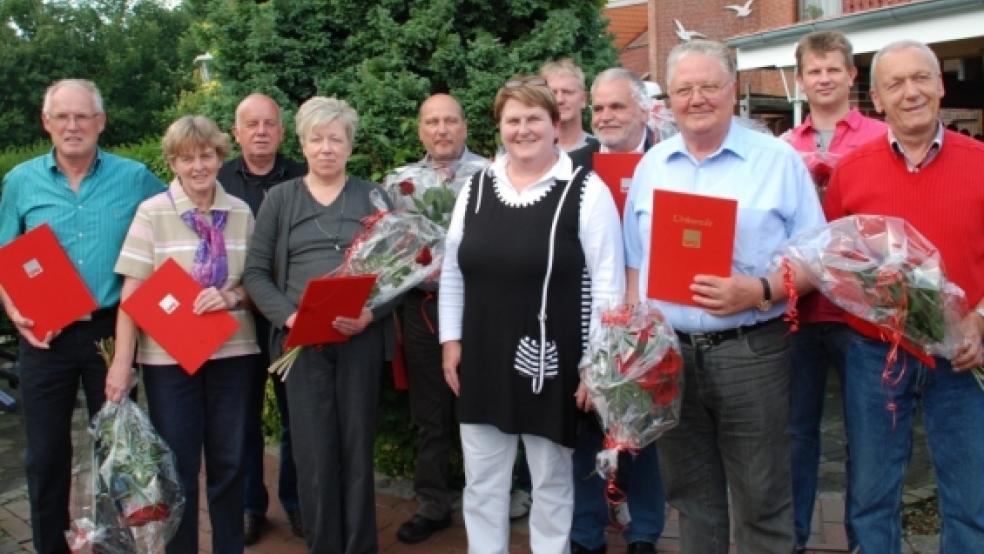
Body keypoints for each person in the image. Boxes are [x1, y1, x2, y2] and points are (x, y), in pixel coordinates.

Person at [622, 40, 825, 553]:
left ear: (733, 91)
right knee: (691, 497)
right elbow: (633, 261)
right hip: (671, 354)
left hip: (752, 350)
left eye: (709, 86)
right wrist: (636, 336)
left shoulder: (778, 160)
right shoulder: (652, 166)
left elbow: (818, 258)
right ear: (668, 99)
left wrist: (759, 290)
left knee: (762, 497)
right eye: (684, 89)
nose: (697, 98)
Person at [439, 75, 624, 553]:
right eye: (512, 120)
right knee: (482, 483)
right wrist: (451, 341)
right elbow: (455, 270)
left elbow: (608, 285)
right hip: (482, 354)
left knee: (552, 484)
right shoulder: (476, 187)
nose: (523, 129)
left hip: (553, 360)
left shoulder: (585, 190)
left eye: (533, 119)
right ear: (499, 127)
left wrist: (597, 365)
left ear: (556, 123)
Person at [823, 39, 984, 554]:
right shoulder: (851, 171)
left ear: (940, 85)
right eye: (895, 83)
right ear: (875, 98)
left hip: (962, 356)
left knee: (971, 497)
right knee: (871, 493)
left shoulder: (981, 162)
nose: (910, 92)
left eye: (921, 78)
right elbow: (833, 260)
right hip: (877, 354)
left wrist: (979, 319)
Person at [0, 78, 164, 554]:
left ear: (101, 122)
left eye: (83, 116)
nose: (73, 126)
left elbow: (172, 225)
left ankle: (117, 545)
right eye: (63, 117)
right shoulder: (20, 182)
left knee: (117, 452)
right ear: (46, 122)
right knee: (45, 456)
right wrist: (13, 308)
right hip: (42, 336)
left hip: (110, 334)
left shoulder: (134, 178)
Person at [243, 96, 396, 553]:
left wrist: (372, 313)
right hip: (302, 345)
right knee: (313, 452)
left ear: (350, 145)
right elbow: (255, 274)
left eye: (336, 138)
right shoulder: (280, 199)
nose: (326, 148)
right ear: (304, 145)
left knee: (355, 448)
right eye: (316, 138)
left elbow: (396, 272)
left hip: (359, 341)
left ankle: (359, 546)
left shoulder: (373, 196)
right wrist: (291, 317)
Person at [107, 115, 259, 552]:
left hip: (233, 355)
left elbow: (258, 284)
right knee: (178, 467)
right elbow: (131, 295)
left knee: (230, 464)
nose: (198, 166)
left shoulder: (241, 213)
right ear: (172, 162)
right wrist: (122, 363)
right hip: (168, 362)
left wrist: (231, 298)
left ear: (219, 157)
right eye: (186, 158)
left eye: (206, 155)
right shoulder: (152, 213)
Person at [783, 30, 886, 552]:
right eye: (813, 71)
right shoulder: (781, 148)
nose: (823, 79)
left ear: (851, 75)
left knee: (865, 437)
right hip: (799, 310)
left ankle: (863, 539)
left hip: (859, 311)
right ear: (800, 80)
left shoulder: (879, 138)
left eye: (833, 69)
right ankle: (795, 537)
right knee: (797, 434)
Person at [569, 67, 664, 554]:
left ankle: (644, 529)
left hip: (654, 316)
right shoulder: (573, 166)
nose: (605, 116)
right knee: (586, 425)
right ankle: (587, 532)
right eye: (599, 108)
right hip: (591, 313)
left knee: (643, 427)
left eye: (617, 106)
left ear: (643, 110)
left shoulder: (669, 159)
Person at [392, 93, 488, 545]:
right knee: (429, 411)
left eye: (450, 121)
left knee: (486, 406)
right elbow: (388, 248)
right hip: (424, 309)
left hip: (486, 308)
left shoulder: (494, 175)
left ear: (465, 127)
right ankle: (433, 503)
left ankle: (489, 499)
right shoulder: (399, 183)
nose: (442, 129)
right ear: (420, 129)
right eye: (432, 121)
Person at [217, 92, 307, 543]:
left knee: (297, 417)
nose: (260, 131)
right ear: (236, 132)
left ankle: (296, 502)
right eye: (251, 124)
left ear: (282, 130)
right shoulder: (216, 179)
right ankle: (252, 505)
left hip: (290, 317)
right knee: (242, 417)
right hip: (235, 321)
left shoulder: (303, 177)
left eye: (269, 123)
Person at [541, 58, 599, 152]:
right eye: (553, 93)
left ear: (583, 99)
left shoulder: (601, 150)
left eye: (568, 92)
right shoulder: (534, 152)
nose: (560, 100)